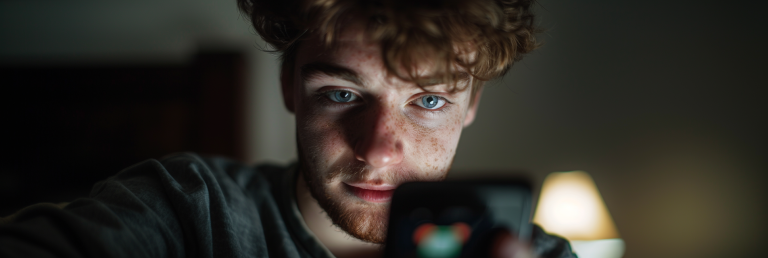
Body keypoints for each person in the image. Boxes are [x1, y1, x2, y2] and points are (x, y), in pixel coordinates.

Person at [0, 0, 576, 257]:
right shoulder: (190, 212)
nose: (377, 150)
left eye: (427, 101)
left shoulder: (537, 256)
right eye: (342, 94)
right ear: (287, 89)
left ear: (470, 104)